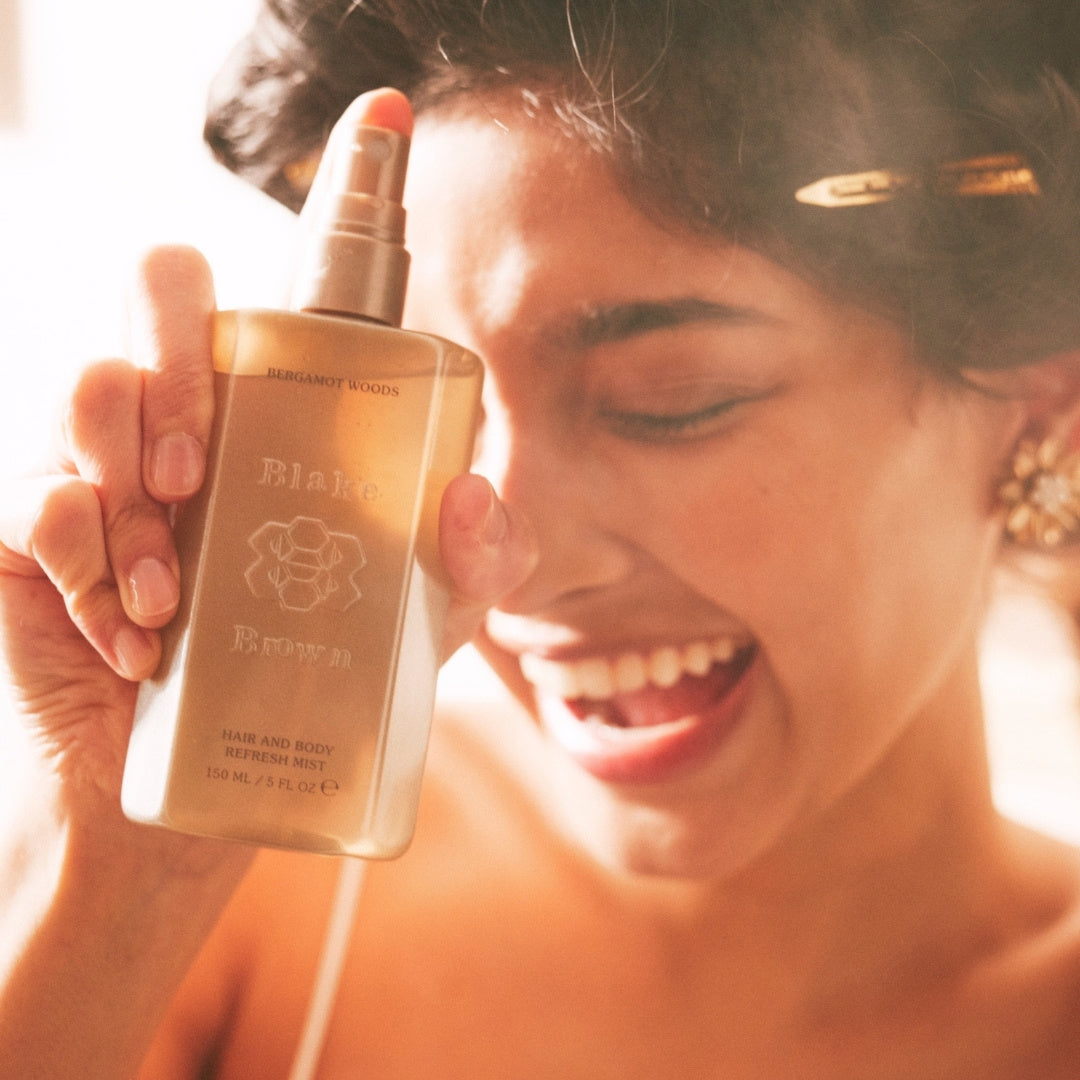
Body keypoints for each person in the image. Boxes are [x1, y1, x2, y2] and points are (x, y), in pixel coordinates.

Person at [4, 1, 1080, 1076]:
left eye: (671, 400)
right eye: (436, 423)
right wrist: (123, 888)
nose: (520, 567)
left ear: (1042, 395)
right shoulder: (249, 896)